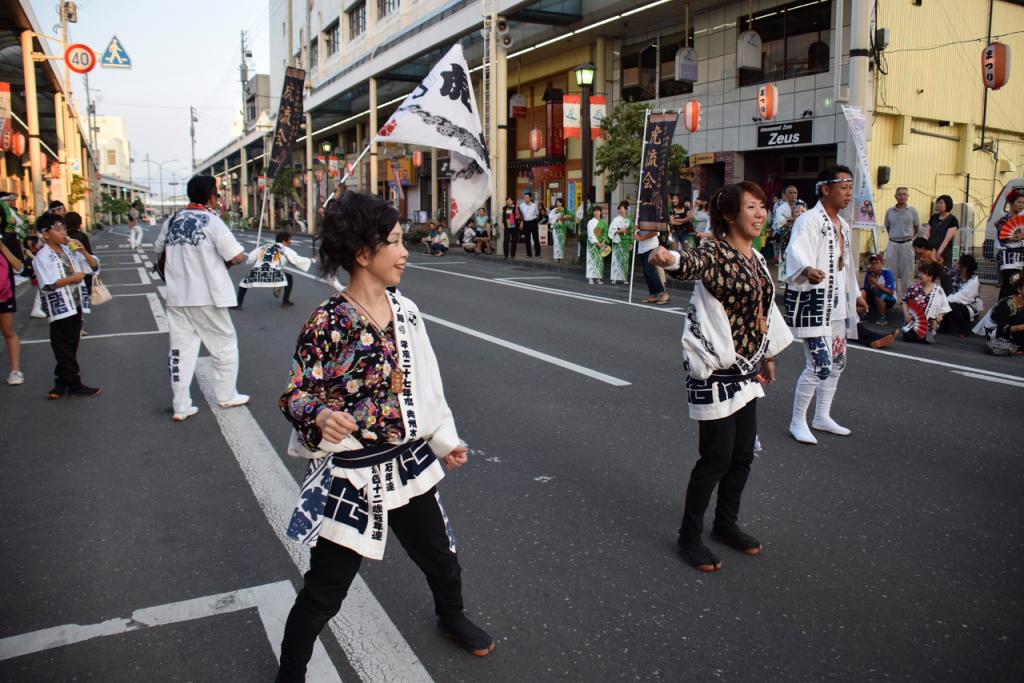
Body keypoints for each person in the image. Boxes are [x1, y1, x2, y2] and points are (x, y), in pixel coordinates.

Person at [276, 192, 495, 681]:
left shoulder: (407, 310)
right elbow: (294, 393)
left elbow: (427, 385)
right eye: (393, 242)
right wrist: (319, 415)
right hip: (352, 475)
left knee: (440, 557)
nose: (404, 252)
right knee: (324, 590)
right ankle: (290, 674)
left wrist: (444, 440)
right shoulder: (328, 321)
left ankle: (451, 616)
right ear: (361, 254)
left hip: (408, 462)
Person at [649, 181, 793, 572]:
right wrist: (669, 258)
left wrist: (770, 354)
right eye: (751, 207)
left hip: (746, 369)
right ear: (730, 215)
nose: (761, 213)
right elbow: (692, 263)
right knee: (715, 457)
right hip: (714, 369)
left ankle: (725, 524)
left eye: (763, 206)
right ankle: (689, 537)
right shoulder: (716, 250)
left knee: (743, 453)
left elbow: (764, 310)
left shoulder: (757, 258)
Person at [783, 166, 868, 445]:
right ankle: (798, 421)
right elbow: (795, 250)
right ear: (825, 188)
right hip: (814, 303)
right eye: (843, 186)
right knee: (820, 364)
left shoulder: (842, 225)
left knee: (838, 362)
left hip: (837, 306)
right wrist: (807, 268)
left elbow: (848, 265)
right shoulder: (809, 220)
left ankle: (822, 416)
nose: (848, 192)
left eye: (850, 186)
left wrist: (855, 294)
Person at [154, 175, 248, 422]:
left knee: (180, 351)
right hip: (208, 295)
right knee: (224, 345)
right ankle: (226, 394)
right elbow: (236, 256)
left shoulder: (173, 219)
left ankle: (180, 405)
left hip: (177, 297)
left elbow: (157, 250)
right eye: (216, 193)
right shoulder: (212, 221)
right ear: (210, 196)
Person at [33, 212, 101, 399]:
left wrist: (84, 252)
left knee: (70, 345)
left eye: (64, 228)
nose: (63, 233)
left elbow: (93, 267)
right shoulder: (43, 256)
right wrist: (71, 279)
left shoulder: (70, 251)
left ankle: (60, 384)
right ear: (45, 234)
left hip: (76, 304)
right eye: (58, 229)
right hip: (59, 307)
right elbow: (47, 285)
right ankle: (75, 385)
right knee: (63, 346)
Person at [236, 230, 312, 308]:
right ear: (284, 241)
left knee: (244, 283)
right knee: (288, 277)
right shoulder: (284, 249)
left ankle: (239, 303)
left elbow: (250, 259)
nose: (291, 242)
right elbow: (296, 260)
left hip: (257, 273)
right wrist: (312, 260)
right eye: (289, 240)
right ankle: (285, 300)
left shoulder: (264, 246)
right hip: (274, 274)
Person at [897, 260, 951, 344]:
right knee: (908, 338)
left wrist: (937, 320)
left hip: (929, 325)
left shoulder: (939, 290)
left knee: (924, 339)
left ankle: (925, 335)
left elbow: (944, 308)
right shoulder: (913, 287)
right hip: (912, 322)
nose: (919, 275)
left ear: (930, 277)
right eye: (920, 273)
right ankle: (917, 335)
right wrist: (906, 315)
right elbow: (904, 302)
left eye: (923, 273)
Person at [883, 187, 921, 298]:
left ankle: (907, 297)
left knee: (908, 272)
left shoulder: (913, 211)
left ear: (908, 196)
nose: (902, 196)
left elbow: (916, 226)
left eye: (904, 194)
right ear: (895, 196)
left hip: (907, 244)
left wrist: (910, 238)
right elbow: (888, 227)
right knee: (891, 270)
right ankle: (891, 296)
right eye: (899, 194)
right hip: (893, 243)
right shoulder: (889, 211)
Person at [65, 212, 96, 336]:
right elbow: (88, 253)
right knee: (81, 300)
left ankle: (71, 325)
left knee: (70, 299)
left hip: (68, 272)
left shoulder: (64, 238)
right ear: (79, 223)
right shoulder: (81, 236)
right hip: (83, 272)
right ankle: (79, 327)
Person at [1, 223, 25, 385]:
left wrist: (2, 246)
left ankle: (15, 371)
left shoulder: (8, 236)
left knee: (9, 331)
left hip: (4, 292)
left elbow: (19, 266)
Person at [942, 253, 983, 337]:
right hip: (957, 303)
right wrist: (939, 263)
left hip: (969, 308)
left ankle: (964, 329)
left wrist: (942, 301)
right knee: (947, 304)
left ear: (964, 267)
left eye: (958, 263)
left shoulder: (973, 282)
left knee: (950, 304)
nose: (956, 264)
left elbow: (959, 298)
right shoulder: (958, 275)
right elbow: (946, 272)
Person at [994, 190, 1024, 300]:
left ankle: (1012, 309)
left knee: (1017, 286)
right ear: (1011, 203)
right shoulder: (1004, 220)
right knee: (1010, 284)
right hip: (1008, 257)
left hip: (1020, 257)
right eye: (1019, 202)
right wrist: (1019, 237)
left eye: (1023, 203)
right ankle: (1002, 310)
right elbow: (1004, 237)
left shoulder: (1021, 220)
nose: (1021, 205)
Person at [985, 275, 1024, 355]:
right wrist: (1021, 327)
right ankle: (1018, 347)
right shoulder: (1007, 303)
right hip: (1001, 335)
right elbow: (1001, 330)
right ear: (1019, 289)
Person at [636, 216, 669, 305]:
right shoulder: (640, 215)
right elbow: (638, 229)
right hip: (642, 248)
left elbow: (655, 233)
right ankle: (653, 294)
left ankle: (663, 293)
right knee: (646, 273)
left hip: (651, 247)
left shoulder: (652, 215)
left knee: (650, 271)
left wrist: (641, 238)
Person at [861, 254, 897, 325]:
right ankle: (864, 314)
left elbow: (891, 292)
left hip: (889, 299)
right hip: (875, 298)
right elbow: (866, 289)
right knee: (862, 292)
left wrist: (876, 284)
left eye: (876, 263)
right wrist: (869, 284)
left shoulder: (887, 273)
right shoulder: (869, 273)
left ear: (881, 263)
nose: (874, 265)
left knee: (878, 293)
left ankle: (882, 318)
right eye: (872, 264)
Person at [926, 194, 959, 266]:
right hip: (930, 250)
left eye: (941, 203)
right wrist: (924, 247)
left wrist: (938, 253)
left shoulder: (952, 220)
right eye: (937, 203)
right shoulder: (934, 217)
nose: (938, 205)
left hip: (944, 253)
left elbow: (946, 240)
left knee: (943, 273)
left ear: (947, 204)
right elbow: (927, 233)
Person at [608, 201, 634, 284]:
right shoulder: (615, 220)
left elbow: (632, 232)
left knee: (625, 260)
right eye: (619, 209)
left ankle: (624, 277)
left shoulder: (629, 220)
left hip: (626, 241)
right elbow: (612, 230)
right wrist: (618, 231)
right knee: (616, 259)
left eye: (622, 209)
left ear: (626, 210)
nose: (620, 210)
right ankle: (614, 278)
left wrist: (631, 243)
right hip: (617, 241)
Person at [586, 206, 608, 285]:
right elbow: (591, 233)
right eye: (595, 211)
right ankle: (590, 278)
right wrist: (597, 243)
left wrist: (604, 242)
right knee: (591, 260)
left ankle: (598, 278)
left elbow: (606, 232)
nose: (596, 212)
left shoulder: (604, 222)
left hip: (601, 244)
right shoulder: (590, 222)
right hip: (592, 244)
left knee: (599, 261)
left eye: (598, 211)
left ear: (600, 212)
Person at [518, 191, 541, 257]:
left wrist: (535, 221)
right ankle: (529, 254)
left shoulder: (534, 205)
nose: (526, 198)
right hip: (525, 223)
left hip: (533, 222)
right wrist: (522, 223)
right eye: (524, 197)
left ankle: (538, 253)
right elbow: (520, 215)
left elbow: (537, 214)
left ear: (530, 198)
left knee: (536, 238)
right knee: (527, 239)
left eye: (527, 197)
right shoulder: (521, 206)